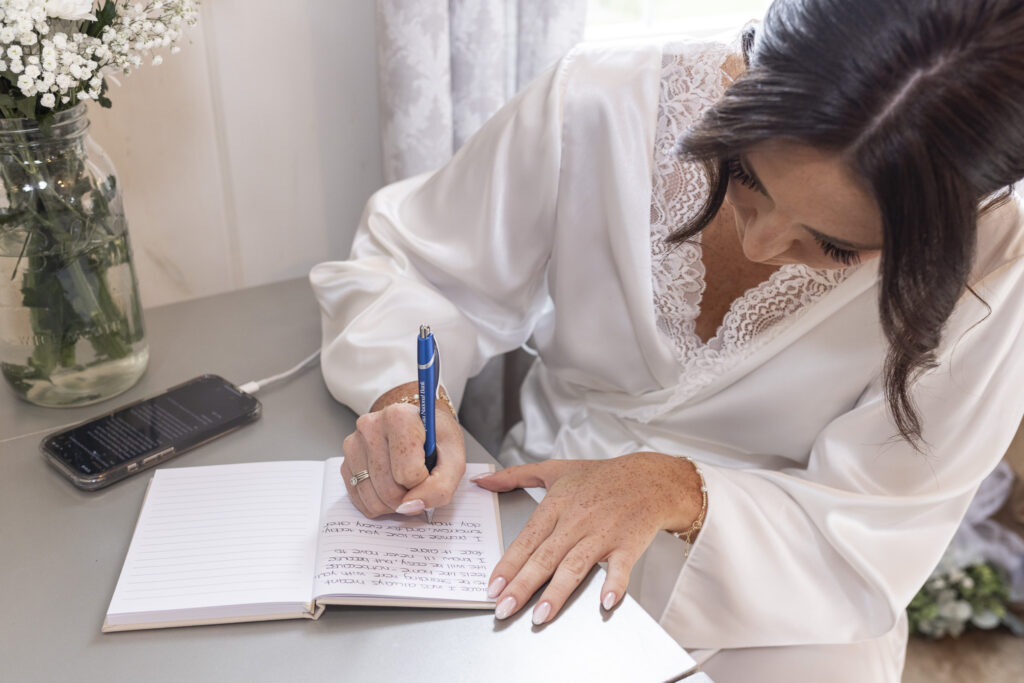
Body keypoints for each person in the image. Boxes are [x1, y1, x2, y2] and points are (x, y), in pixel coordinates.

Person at [309, 0, 1024, 679]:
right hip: (536, 515)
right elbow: (416, 265)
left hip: (789, 603)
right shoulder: (603, 103)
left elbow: (872, 528)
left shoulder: (995, 263)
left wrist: (677, 487)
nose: (762, 240)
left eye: (835, 247)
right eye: (744, 172)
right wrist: (410, 396)